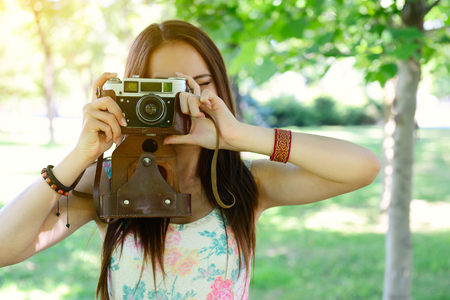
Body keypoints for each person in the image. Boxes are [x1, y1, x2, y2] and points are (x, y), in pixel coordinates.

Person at [0, 20, 381, 300]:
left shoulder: (244, 185)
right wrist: (76, 159)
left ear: (220, 86)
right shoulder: (110, 183)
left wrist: (238, 136)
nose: (183, 100)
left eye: (196, 83)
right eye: (159, 89)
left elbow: (364, 167)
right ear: (133, 94)